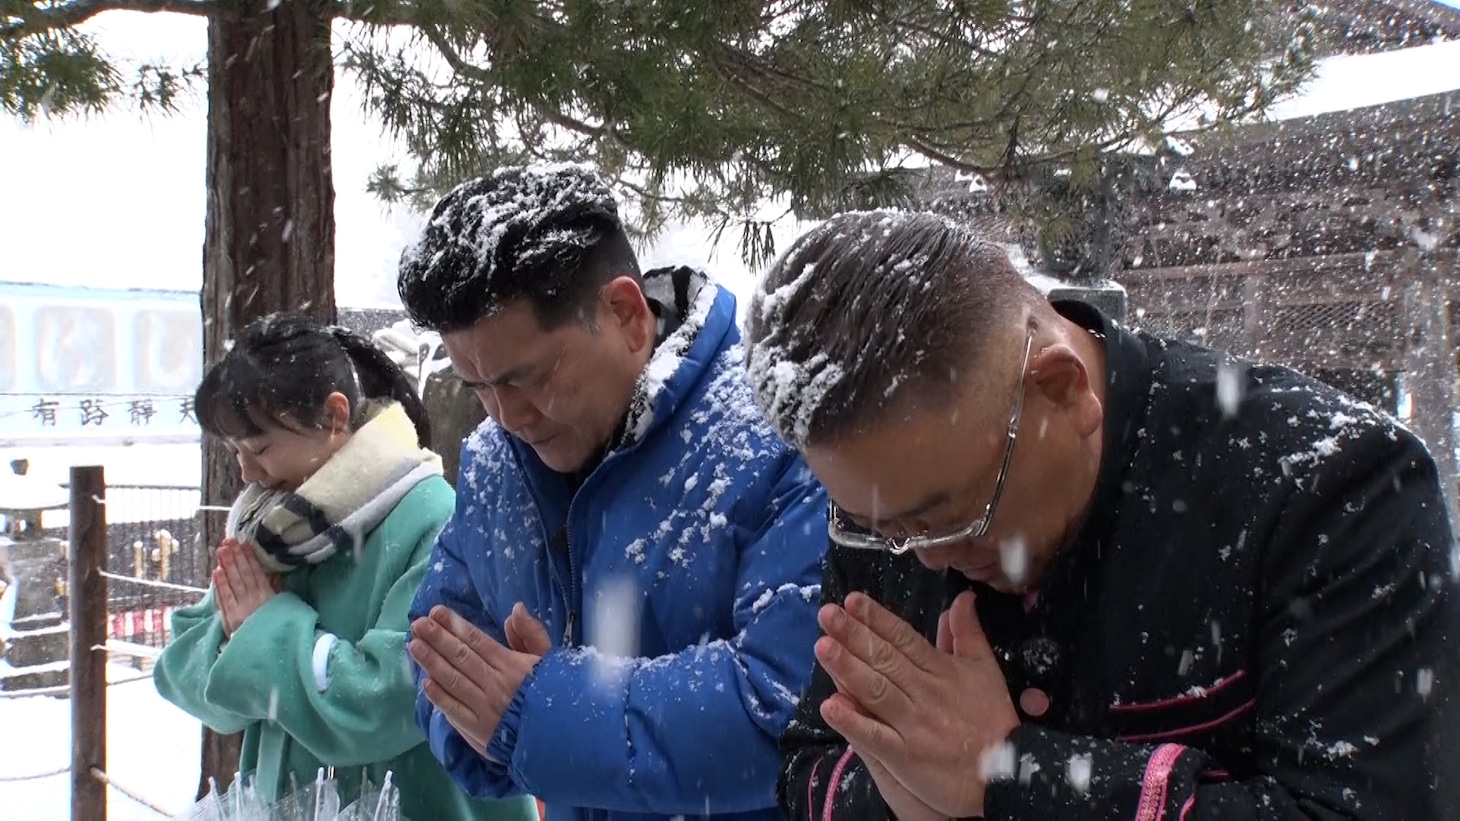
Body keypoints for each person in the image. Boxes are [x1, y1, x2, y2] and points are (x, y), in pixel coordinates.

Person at [745, 210, 1460, 820]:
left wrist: (1012, 775)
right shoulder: (896, 509)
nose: (925, 558)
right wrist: (925, 778)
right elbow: (812, 766)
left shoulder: (1330, 485)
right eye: (877, 526)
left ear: (1061, 389)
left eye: (956, 514)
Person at [397, 164, 828, 821]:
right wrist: (496, 725)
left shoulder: (774, 438)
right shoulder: (494, 464)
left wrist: (543, 713)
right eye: (477, 388)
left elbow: (792, 710)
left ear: (627, 315)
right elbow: (437, 663)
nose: (506, 416)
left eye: (528, 377)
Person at [152, 314, 538, 821]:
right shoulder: (272, 526)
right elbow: (179, 670)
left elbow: (386, 706)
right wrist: (268, 658)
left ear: (335, 417)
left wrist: (260, 634)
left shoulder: (431, 517)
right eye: (235, 452)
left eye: (260, 448)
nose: (246, 472)